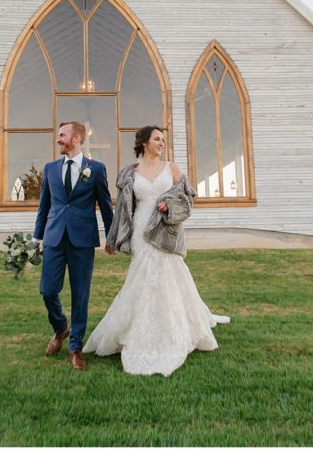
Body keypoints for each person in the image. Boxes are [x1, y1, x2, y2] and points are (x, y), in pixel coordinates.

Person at [82, 125, 230, 376]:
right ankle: (137, 328)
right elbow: (122, 209)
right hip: (141, 230)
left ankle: (174, 329)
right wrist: (112, 238)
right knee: (143, 278)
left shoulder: (171, 168)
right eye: (156, 139)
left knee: (170, 275)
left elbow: (187, 197)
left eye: (163, 139)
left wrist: (168, 204)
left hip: (165, 230)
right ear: (143, 142)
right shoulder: (129, 172)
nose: (161, 143)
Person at [33, 120, 114, 370]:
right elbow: (44, 205)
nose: (58, 139)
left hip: (82, 240)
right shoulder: (50, 169)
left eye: (62, 135)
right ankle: (60, 329)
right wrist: (37, 237)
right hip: (54, 237)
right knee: (48, 290)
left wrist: (111, 237)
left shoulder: (96, 169)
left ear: (77, 138)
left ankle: (75, 347)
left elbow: (106, 205)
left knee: (81, 295)